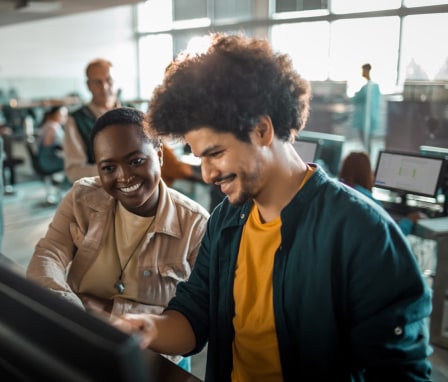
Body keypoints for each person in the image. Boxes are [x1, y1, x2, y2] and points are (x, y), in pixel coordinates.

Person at [112, 34, 432, 381]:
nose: (206, 174)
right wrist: (147, 328)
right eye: (199, 156)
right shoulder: (226, 220)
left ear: (262, 129)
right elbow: (194, 314)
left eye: (215, 153)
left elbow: (401, 372)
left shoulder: (362, 233)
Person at [27, 107, 210, 371]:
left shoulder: (196, 225)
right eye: (109, 167)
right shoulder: (82, 198)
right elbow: (48, 255)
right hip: (87, 340)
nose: (123, 176)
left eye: (136, 161)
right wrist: (74, 310)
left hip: (157, 359)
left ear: (159, 156)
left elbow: (192, 321)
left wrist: (109, 310)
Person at [339, 151, 427, 235]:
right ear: (367, 174)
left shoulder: (339, 192)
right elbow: (392, 236)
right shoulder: (369, 202)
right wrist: (409, 220)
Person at [63, 58, 122, 183]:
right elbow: (74, 171)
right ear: (88, 86)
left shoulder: (133, 112)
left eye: (109, 80)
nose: (104, 87)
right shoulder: (76, 120)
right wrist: (115, 170)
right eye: (97, 82)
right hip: (100, 192)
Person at [352, 63, 381, 154]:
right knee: (365, 141)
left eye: (363, 70)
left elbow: (358, 99)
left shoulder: (371, 87)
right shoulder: (367, 87)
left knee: (367, 141)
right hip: (365, 119)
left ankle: (367, 159)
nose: (362, 72)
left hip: (367, 120)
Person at [37, 105, 68, 174]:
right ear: (55, 114)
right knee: (72, 163)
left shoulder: (49, 124)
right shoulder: (52, 127)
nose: (65, 117)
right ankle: (67, 183)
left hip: (45, 159)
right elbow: (47, 146)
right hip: (48, 160)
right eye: (63, 115)